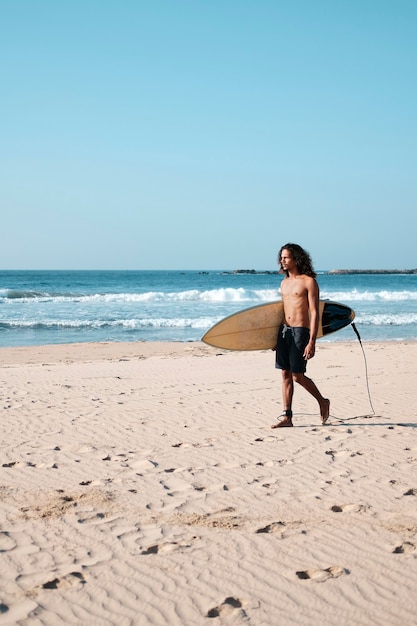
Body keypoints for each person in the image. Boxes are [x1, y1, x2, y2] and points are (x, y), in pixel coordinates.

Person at [272, 243, 330, 428]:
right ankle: (287, 417)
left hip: (300, 332)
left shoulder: (309, 282)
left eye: (286, 257)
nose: (282, 260)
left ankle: (322, 401)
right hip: (284, 331)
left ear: (296, 259)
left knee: (297, 375)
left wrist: (312, 341)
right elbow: (282, 311)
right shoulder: (284, 283)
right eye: (281, 257)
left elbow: (315, 313)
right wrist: (273, 337)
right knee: (285, 374)